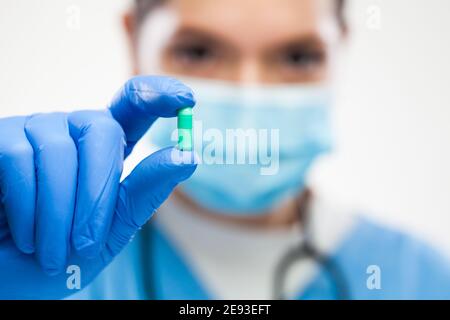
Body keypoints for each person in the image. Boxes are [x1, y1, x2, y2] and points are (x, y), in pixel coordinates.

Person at [1, 0, 450, 300]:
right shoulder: (52, 262)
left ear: (340, 49)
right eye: (198, 51)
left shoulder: (422, 281)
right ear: (133, 40)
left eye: (297, 58)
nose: (250, 96)